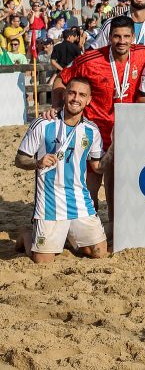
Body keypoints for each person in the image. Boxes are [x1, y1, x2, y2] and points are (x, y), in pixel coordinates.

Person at [52, 15, 145, 225]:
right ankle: (87, 224)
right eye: (116, 36)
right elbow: (62, 79)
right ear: (109, 36)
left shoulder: (144, 53)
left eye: (126, 36)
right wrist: (57, 106)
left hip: (127, 130)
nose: (121, 41)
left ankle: (117, 228)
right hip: (96, 130)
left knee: (120, 182)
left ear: (133, 37)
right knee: (92, 182)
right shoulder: (90, 60)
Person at [15, 77, 107, 263]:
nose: (76, 98)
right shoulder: (43, 123)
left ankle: (66, 234)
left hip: (79, 200)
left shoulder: (92, 130)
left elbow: (97, 167)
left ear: (88, 100)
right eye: (72, 93)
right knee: (42, 262)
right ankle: (27, 235)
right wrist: (37, 163)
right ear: (64, 95)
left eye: (82, 95)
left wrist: (114, 150)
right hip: (50, 201)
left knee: (98, 253)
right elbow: (19, 159)